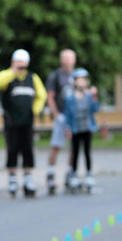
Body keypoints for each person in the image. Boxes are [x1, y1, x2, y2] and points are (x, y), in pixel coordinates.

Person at [0, 49, 47, 198]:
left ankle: (28, 178)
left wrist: (35, 110)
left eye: (23, 62)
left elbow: (42, 95)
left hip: (27, 120)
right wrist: (12, 71)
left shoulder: (32, 78)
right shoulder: (8, 77)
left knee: (27, 148)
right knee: (12, 148)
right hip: (11, 120)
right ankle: (12, 179)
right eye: (18, 62)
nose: (21, 65)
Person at [44, 49, 76, 195]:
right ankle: (50, 174)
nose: (69, 61)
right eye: (66, 58)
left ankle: (70, 173)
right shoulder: (56, 76)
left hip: (74, 117)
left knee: (74, 147)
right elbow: (50, 96)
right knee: (56, 145)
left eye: (71, 58)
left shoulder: (77, 76)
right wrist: (56, 114)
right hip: (62, 115)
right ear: (62, 60)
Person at [64, 68, 99, 192]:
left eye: (83, 80)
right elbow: (67, 114)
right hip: (75, 129)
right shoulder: (70, 98)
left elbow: (95, 109)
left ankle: (89, 174)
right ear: (74, 82)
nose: (81, 83)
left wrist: (95, 96)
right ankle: (73, 174)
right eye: (78, 80)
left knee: (87, 152)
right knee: (75, 152)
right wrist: (67, 128)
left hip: (87, 127)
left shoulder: (89, 96)